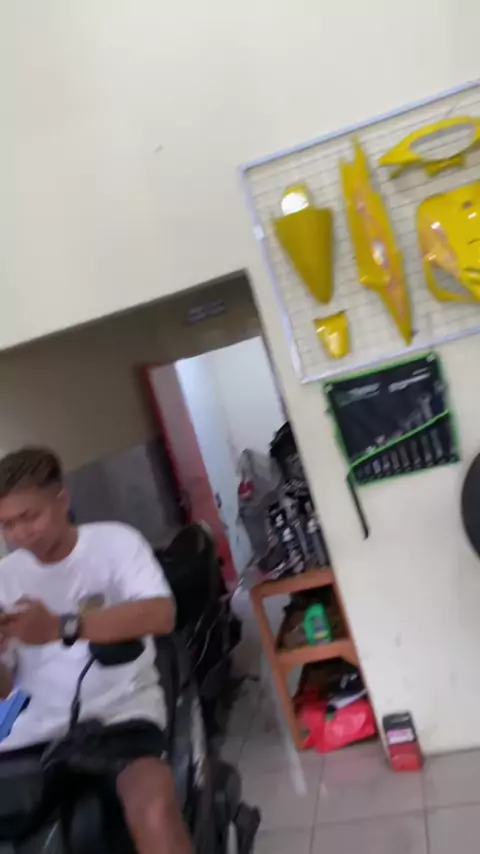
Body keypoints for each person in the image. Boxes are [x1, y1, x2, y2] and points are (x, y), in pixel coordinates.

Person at [0, 447, 192, 854]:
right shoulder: (5, 577)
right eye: (7, 525)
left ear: (61, 500)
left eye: (29, 517)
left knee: (153, 811)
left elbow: (161, 614)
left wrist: (61, 627)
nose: (20, 534)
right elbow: (3, 692)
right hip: (28, 731)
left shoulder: (114, 543)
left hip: (120, 711)